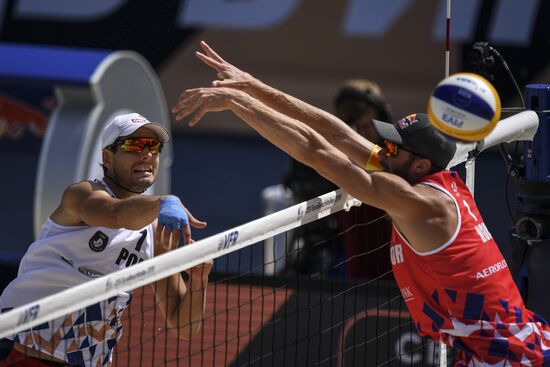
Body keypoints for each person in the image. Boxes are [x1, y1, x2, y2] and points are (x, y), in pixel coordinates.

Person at [171, 41, 550, 366]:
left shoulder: (414, 200)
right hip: (509, 342)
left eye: (390, 148)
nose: (379, 151)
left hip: (507, 357)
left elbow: (315, 151)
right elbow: (334, 132)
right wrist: (254, 86)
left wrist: (237, 103)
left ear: (419, 164)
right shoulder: (425, 175)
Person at [0, 113, 212, 367]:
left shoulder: (155, 230)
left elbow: (183, 327)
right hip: (27, 353)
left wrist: (199, 281)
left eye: (153, 147)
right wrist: (165, 200)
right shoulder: (81, 194)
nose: (146, 154)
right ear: (107, 158)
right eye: (133, 146)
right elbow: (115, 214)